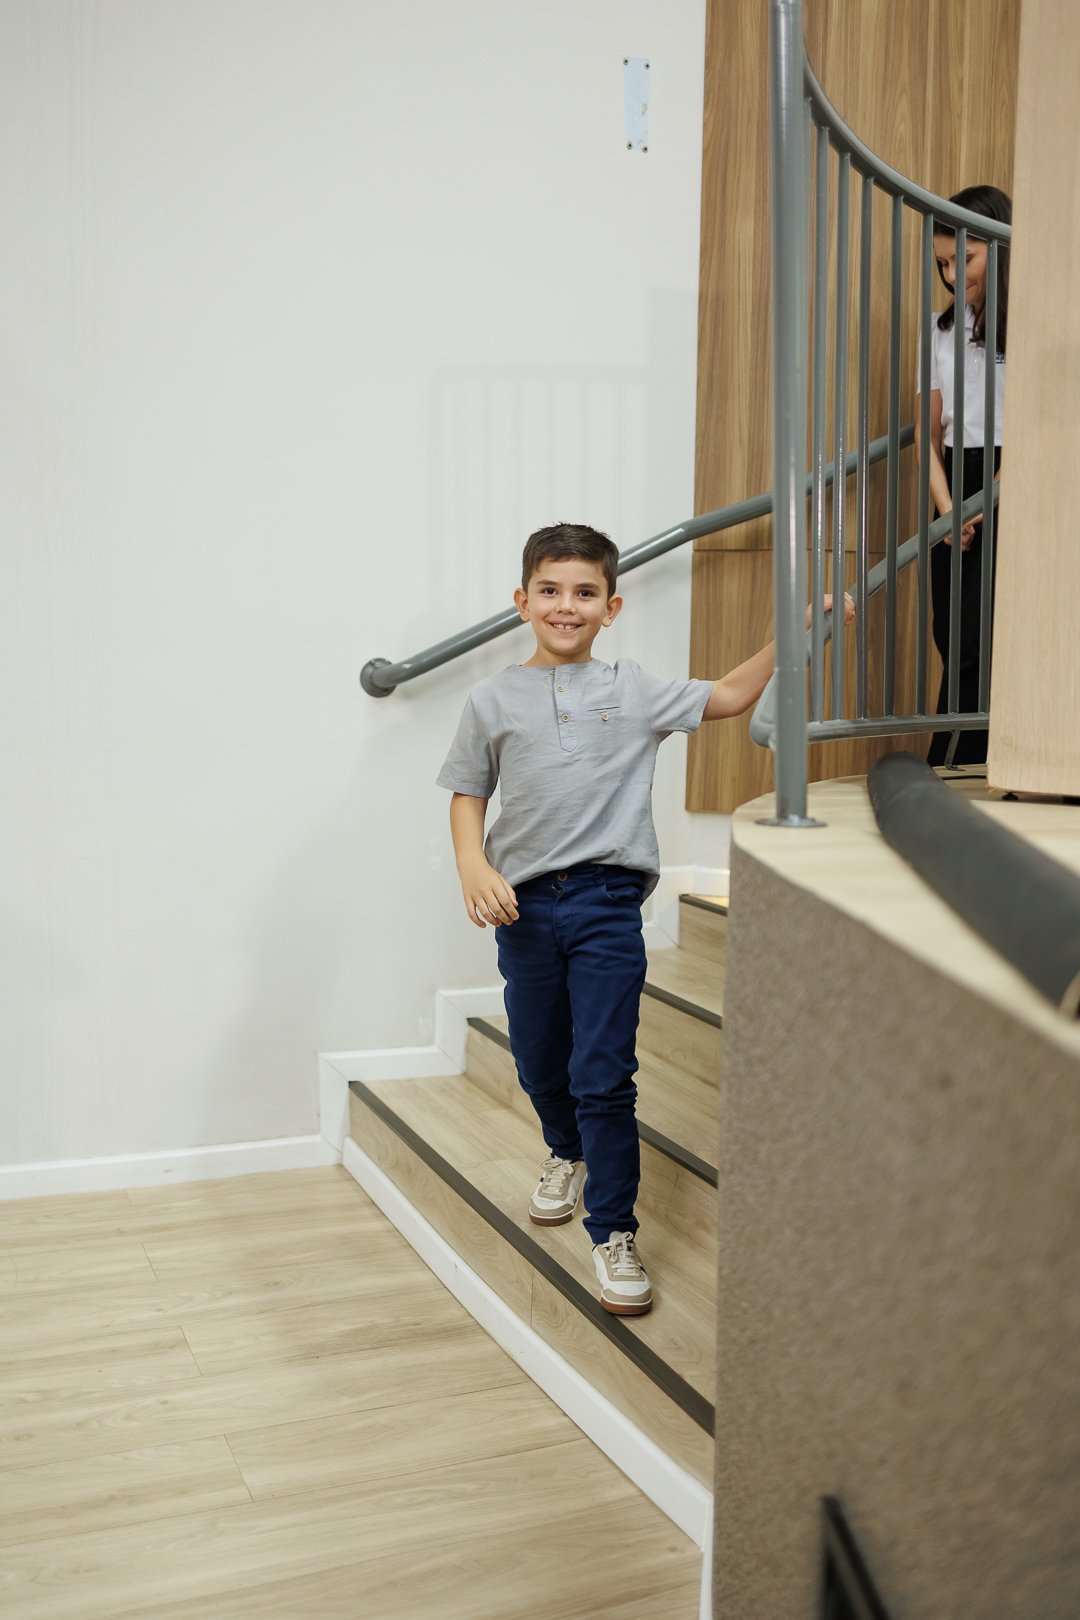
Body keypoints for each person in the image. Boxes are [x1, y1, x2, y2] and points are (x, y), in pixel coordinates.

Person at [437, 521, 854, 1314]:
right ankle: (564, 1151)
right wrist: (472, 864)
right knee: (538, 1062)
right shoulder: (490, 699)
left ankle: (613, 1232)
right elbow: (468, 793)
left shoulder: (633, 688)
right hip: (524, 908)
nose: (567, 606)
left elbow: (729, 696)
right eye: (550, 591)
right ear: (522, 602)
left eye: (585, 592)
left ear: (612, 606)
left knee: (604, 1074)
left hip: (607, 905)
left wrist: (798, 632)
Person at [914, 184, 1010, 765]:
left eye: (963, 260)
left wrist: (987, 499)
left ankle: (960, 761)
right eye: (943, 263)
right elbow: (926, 437)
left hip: (1015, 482)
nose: (952, 276)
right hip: (954, 484)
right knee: (951, 630)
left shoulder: (1035, 327)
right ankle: (958, 759)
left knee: (989, 632)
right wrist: (950, 509)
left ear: (999, 248)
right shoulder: (938, 331)